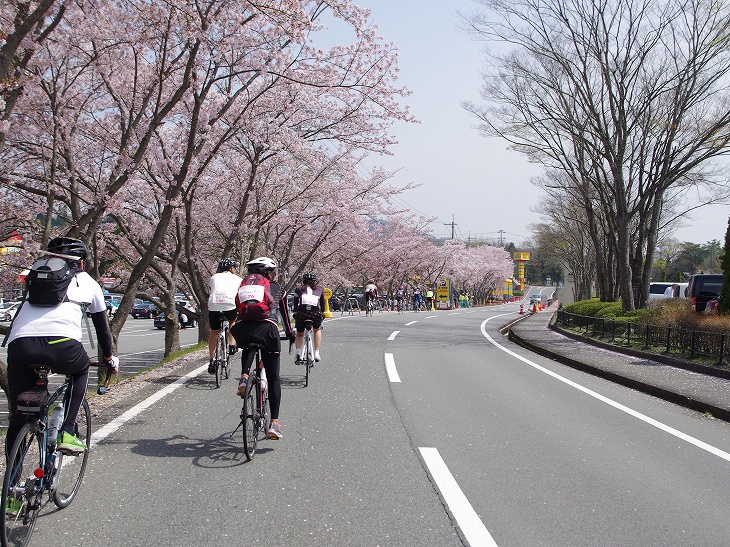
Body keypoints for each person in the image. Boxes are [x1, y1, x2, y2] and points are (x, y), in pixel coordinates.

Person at [5, 237, 119, 456]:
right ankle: (67, 430)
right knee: (81, 368)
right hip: (62, 345)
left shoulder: (36, 278)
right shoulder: (87, 282)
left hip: (20, 346)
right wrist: (108, 358)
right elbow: (103, 331)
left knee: (19, 418)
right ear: (81, 263)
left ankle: (11, 486)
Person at [230, 257, 294, 440]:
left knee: (250, 343)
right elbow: (283, 315)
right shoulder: (276, 288)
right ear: (268, 273)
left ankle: (243, 378)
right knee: (273, 377)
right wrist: (289, 333)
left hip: (243, 330)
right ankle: (274, 423)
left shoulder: (243, 286)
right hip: (268, 331)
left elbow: (238, 309)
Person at [207, 258, 242, 374]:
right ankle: (232, 345)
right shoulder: (238, 279)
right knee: (232, 321)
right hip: (229, 304)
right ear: (232, 268)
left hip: (214, 305)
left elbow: (211, 289)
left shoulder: (213, 277)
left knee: (214, 332)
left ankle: (212, 360)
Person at [293, 272, 325, 363]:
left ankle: (298, 352)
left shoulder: (298, 289)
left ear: (303, 281)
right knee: (317, 329)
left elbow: (295, 304)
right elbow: (322, 305)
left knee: (299, 333)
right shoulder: (320, 290)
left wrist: (295, 312)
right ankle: (316, 352)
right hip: (315, 314)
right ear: (315, 281)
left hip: (302, 314)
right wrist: (322, 313)